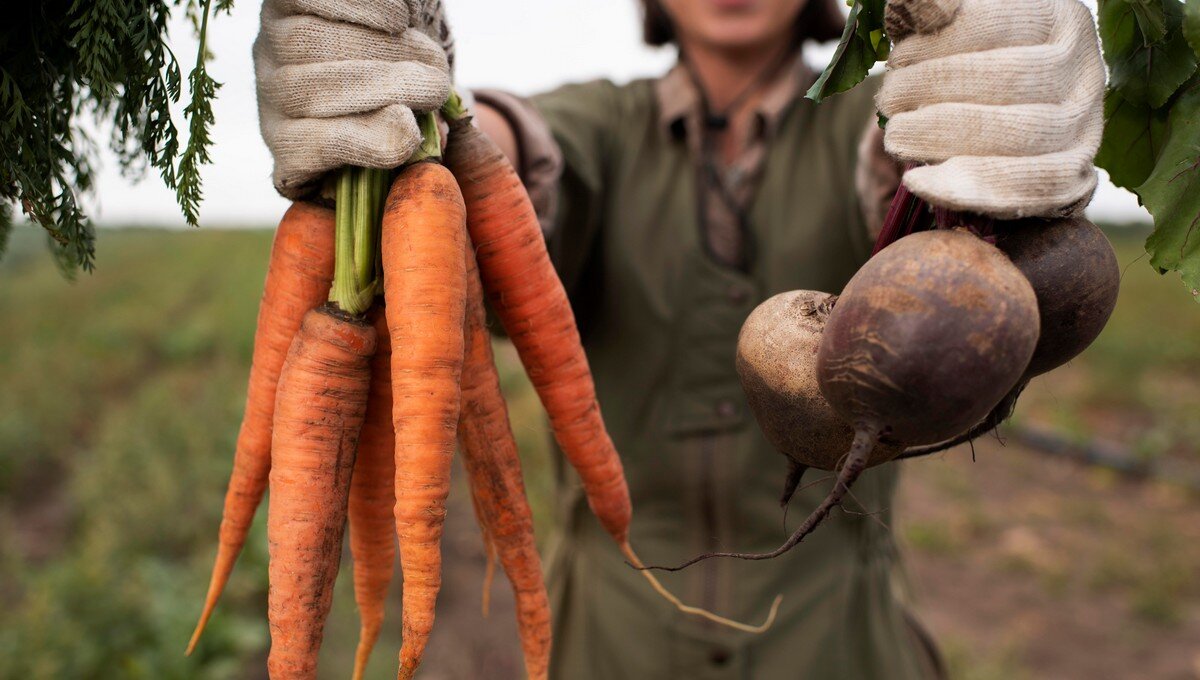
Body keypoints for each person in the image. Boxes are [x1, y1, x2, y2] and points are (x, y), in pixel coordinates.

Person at [254, 0, 1103, 676]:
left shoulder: (866, 119)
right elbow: (528, 158)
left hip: (837, 640)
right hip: (611, 641)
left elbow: (902, 168)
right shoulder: (601, 122)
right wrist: (417, 132)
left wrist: (977, 131)